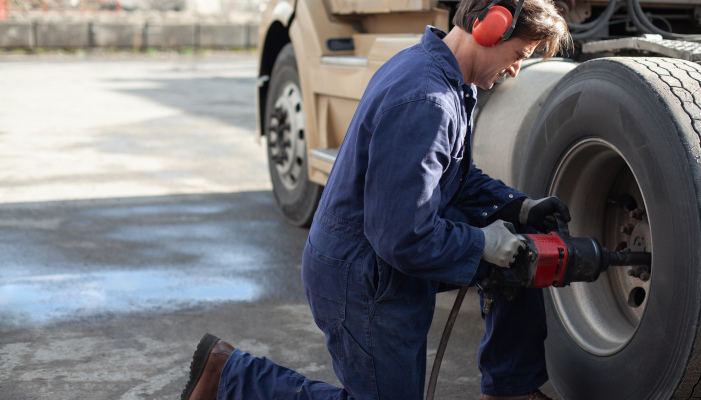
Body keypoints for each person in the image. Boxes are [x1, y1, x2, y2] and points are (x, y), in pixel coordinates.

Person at [181, 0, 571, 398]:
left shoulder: (440, 74)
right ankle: (228, 376)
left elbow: (454, 176)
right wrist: (483, 243)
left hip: (380, 257)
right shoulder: (428, 100)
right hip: (364, 277)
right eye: (519, 54)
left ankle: (512, 389)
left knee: (525, 251)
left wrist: (518, 207)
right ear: (488, 28)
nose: (515, 69)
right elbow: (403, 236)